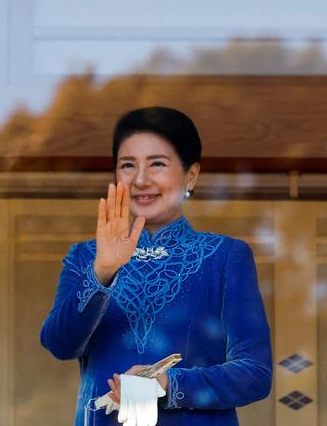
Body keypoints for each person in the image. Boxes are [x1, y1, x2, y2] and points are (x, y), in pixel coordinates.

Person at [40, 107, 271, 425]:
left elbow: (255, 373)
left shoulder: (225, 257)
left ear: (191, 175)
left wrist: (168, 383)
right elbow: (59, 345)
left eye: (157, 164)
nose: (140, 180)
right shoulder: (86, 256)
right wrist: (102, 273)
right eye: (127, 166)